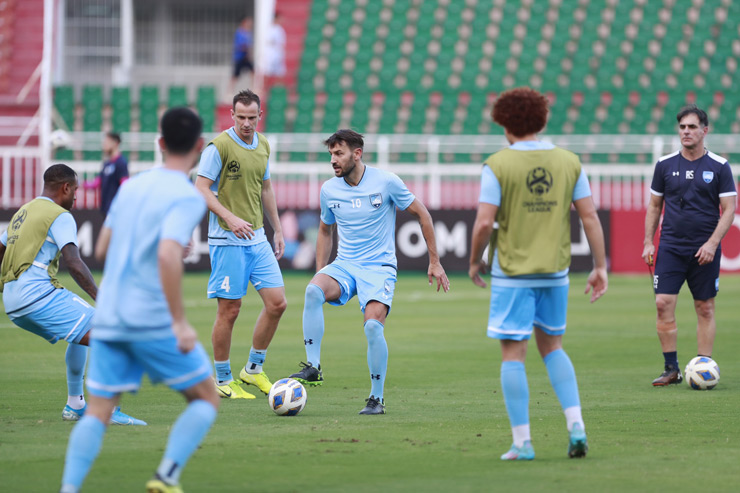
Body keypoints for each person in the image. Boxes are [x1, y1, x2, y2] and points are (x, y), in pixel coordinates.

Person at [60, 107, 219, 493]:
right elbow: (167, 255)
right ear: (199, 146)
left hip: (111, 316)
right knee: (205, 399)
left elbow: (101, 247)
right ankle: (166, 477)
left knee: (97, 413)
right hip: (149, 318)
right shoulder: (187, 195)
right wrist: (179, 322)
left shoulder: (131, 187)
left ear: (160, 144)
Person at [468, 87, 608, 460]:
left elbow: (484, 222)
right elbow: (590, 216)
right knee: (553, 348)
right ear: (541, 120)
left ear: (504, 123)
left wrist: (474, 259)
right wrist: (600, 266)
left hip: (513, 273)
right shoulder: (568, 161)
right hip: (555, 273)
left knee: (513, 354)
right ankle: (575, 424)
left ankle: (522, 442)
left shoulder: (497, 165)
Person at [289, 129, 450, 415]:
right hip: (345, 264)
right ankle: (314, 366)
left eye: (339, 154)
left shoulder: (386, 182)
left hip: (378, 269)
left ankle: (376, 399)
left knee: (373, 326)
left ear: (357, 154)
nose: (333, 160)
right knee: (313, 290)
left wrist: (434, 261)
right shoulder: (329, 189)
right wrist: (321, 271)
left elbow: (422, 214)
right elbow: (326, 230)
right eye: (331, 155)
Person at [0, 164, 143, 426]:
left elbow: (0, 250)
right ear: (65, 188)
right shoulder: (59, 215)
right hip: (37, 296)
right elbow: (74, 263)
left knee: (82, 333)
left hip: (13, 301)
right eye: (75, 190)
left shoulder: (24, 211)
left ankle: (75, 405)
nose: (76, 197)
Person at [195, 89, 286, 400]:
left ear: (259, 116)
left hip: (258, 237)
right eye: (241, 117)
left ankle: (253, 369)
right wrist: (230, 218)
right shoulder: (218, 147)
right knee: (230, 310)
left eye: (252, 117)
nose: (247, 123)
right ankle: (222, 379)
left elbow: (267, 188)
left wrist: (277, 229)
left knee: (277, 304)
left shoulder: (263, 145)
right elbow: (202, 189)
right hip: (226, 239)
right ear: (231, 115)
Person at [642, 104, 736, 386]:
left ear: (704, 131)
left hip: (704, 249)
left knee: (704, 307)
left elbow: (729, 209)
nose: (686, 131)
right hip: (671, 246)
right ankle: (671, 369)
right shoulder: (664, 164)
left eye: (692, 127)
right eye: (682, 127)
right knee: (662, 303)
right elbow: (654, 205)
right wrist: (648, 241)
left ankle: (703, 367)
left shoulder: (719, 166)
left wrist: (712, 243)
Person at [83, 132, 129, 217]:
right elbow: (97, 183)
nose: (104, 145)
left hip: (116, 211)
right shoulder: (107, 164)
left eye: (106, 143)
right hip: (105, 209)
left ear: (115, 143)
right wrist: (80, 184)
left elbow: (125, 185)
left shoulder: (121, 163)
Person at [230, 17, 254, 95]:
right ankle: (230, 91)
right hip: (240, 57)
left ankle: (252, 89)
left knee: (252, 71)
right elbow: (242, 45)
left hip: (246, 57)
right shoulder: (240, 33)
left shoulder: (248, 33)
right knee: (235, 75)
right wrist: (247, 52)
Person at [264, 12, 287, 79]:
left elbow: (282, 43)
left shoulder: (280, 30)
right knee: (268, 73)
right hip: (271, 55)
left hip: (278, 54)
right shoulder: (270, 29)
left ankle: (278, 88)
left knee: (280, 74)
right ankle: (265, 88)